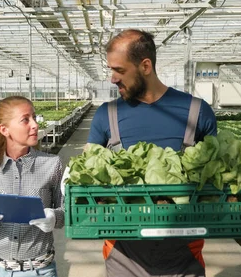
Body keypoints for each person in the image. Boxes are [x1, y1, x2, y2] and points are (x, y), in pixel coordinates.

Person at [87, 29, 217, 277]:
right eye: (110, 70)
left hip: (183, 252)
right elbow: (88, 169)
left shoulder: (197, 111)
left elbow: (215, 175)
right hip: (123, 254)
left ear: (145, 66)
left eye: (120, 70)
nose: (112, 79)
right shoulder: (106, 115)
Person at [0, 96, 64, 277]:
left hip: (38, 271)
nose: (34, 124)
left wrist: (55, 217)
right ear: (4, 129)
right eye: (25, 119)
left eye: (34, 117)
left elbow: (67, 211)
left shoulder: (52, 164)